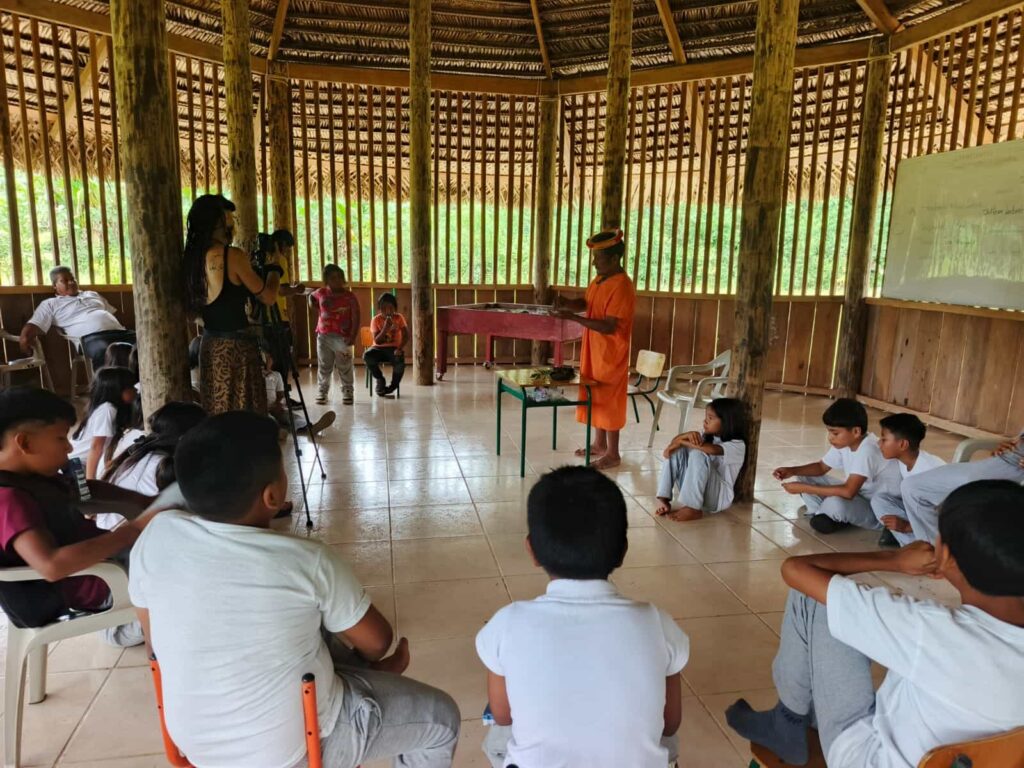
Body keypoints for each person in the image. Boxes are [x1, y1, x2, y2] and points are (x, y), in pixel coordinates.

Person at [128, 411, 460, 768]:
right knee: (441, 720)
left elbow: (152, 643)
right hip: (294, 752)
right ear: (273, 495)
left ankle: (363, 681)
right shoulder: (306, 560)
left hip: (194, 744)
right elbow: (378, 641)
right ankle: (366, 683)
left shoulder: (156, 535)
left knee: (302, 625)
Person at [725, 480, 1024, 768]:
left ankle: (787, 719)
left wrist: (894, 560)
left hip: (865, 757)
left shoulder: (930, 630)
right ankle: (798, 714)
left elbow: (797, 570)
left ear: (947, 557)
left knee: (817, 599)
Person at [475, 466, 688, 768]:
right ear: (623, 551)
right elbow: (670, 724)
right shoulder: (657, 623)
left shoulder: (506, 625)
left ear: (531, 550)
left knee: (498, 735)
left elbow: (502, 714)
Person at [0, 386, 156, 644]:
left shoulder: (34, 477)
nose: (69, 447)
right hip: (99, 586)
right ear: (25, 442)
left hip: (106, 566)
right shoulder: (9, 499)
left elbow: (84, 493)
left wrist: (143, 501)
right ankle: (121, 628)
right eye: (61, 438)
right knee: (181, 573)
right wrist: (134, 529)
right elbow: (51, 565)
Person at [183, 194, 282, 415]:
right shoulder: (232, 256)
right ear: (219, 221)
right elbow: (268, 297)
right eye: (229, 217)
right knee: (245, 410)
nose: (232, 222)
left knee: (218, 409)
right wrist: (275, 270)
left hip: (210, 346)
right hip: (237, 348)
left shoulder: (192, 259)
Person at [550, 229, 636, 470]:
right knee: (594, 395)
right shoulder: (600, 280)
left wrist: (574, 319)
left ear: (613, 259)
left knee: (609, 400)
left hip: (611, 353)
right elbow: (587, 303)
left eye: (598, 259)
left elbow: (609, 326)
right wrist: (568, 303)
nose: (593, 262)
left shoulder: (621, 286)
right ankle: (599, 444)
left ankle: (613, 453)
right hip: (594, 350)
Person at [773, 398, 899, 534]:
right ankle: (825, 514)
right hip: (859, 496)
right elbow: (821, 467)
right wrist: (792, 471)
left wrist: (803, 488)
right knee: (804, 476)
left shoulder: (868, 450)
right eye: (829, 432)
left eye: (835, 433)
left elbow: (848, 492)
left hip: (877, 510)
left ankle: (829, 514)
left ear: (856, 431)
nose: (830, 438)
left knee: (836, 503)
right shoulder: (846, 443)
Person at [901, 426, 1024, 544]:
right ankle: (938, 551)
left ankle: (938, 556)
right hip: (1001, 461)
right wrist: (1010, 444)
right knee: (911, 487)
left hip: (1014, 470)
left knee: (916, 489)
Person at [19, 266, 136, 371]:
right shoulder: (50, 304)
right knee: (106, 351)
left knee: (142, 344)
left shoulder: (92, 294)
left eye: (73, 279)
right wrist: (24, 341)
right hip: (91, 338)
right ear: (55, 286)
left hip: (121, 333)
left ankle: (142, 389)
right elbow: (33, 326)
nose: (71, 282)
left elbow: (113, 314)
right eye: (64, 280)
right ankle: (108, 392)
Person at [655, 397, 747, 522]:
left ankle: (693, 508)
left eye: (710, 418)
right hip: (698, 492)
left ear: (727, 422)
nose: (705, 421)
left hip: (717, 499)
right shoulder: (706, 434)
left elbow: (712, 450)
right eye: (706, 417)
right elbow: (674, 444)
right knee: (677, 451)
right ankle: (664, 500)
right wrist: (684, 437)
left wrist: (682, 441)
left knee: (698, 453)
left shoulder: (738, 445)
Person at [870, 413, 946, 548]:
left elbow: (946, 513)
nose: (878, 443)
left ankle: (921, 548)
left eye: (884, 439)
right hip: (923, 514)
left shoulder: (929, 470)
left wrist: (907, 527)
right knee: (879, 500)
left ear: (903, 444)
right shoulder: (904, 460)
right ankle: (914, 543)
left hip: (946, 523)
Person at [69, 367, 139, 480]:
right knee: (87, 495)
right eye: (130, 387)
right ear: (117, 391)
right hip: (75, 464)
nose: (135, 390)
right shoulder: (107, 410)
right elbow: (96, 447)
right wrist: (91, 481)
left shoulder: (108, 407)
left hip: (81, 463)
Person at [310, 264, 360, 405]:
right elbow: (311, 297)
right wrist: (314, 307)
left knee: (345, 365)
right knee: (324, 365)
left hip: (343, 337)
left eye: (339, 277)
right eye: (332, 278)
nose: (336, 280)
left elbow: (356, 316)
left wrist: (353, 335)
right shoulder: (321, 293)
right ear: (326, 280)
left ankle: (348, 390)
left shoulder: (349, 296)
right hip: (323, 336)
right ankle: (322, 391)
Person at [263, 349, 336, 438]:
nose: (267, 361)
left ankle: (310, 428)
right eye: (264, 359)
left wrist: (278, 404)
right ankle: (277, 431)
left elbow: (280, 393)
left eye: (269, 359)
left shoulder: (276, 375)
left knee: (292, 416)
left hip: (275, 407)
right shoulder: (255, 375)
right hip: (261, 409)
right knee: (268, 419)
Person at [364, 292, 407, 398]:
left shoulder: (399, 318)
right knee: (367, 356)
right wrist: (385, 328)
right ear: (379, 309)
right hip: (377, 349)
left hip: (394, 349)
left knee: (399, 362)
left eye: (391, 308)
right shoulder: (376, 320)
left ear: (395, 308)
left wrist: (400, 348)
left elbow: (406, 335)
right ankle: (380, 379)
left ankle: (392, 386)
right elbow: (377, 341)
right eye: (384, 308)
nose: (387, 311)